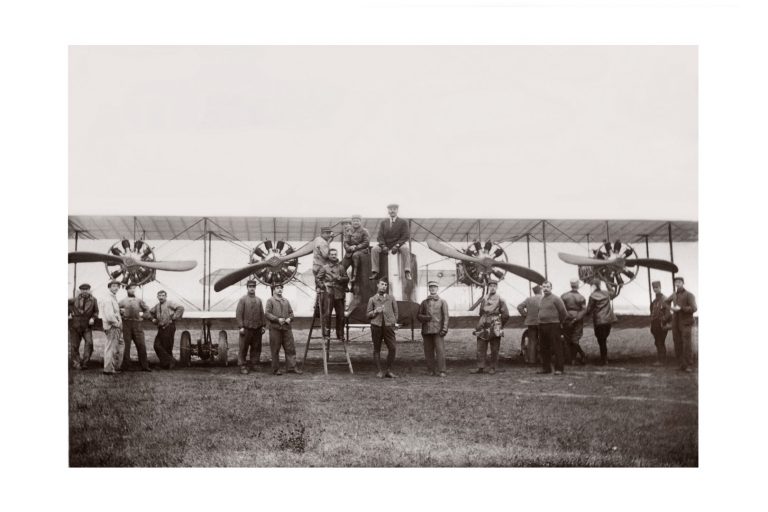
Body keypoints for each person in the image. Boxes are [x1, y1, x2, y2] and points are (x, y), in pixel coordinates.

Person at [470, 279, 510, 375]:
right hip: (483, 322)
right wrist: (482, 321)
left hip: (495, 322)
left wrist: (499, 325)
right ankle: (480, 367)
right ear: (488, 287)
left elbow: (506, 315)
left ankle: (493, 367)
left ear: (497, 287)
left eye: (494, 286)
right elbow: (481, 312)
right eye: (490, 286)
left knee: (495, 347)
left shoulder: (501, 299)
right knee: (480, 346)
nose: (492, 287)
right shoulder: (484, 299)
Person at [265, 284, 302, 375]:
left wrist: (290, 318)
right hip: (275, 329)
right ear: (273, 290)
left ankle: (292, 367)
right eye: (277, 288)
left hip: (286, 329)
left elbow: (291, 313)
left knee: (290, 348)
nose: (280, 290)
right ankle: (275, 369)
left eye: (281, 288)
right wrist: (277, 319)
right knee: (275, 349)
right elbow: (267, 313)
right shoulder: (270, 301)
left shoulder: (286, 301)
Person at [370, 203, 412, 281]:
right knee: (374, 249)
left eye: (394, 209)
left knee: (405, 248)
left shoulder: (403, 222)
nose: (392, 211)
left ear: (397, 210)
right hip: (386, 244)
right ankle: (375, 271)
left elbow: (405, 236)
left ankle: (407, 271)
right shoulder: (383, 222)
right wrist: (383, 246)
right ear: (388, 211)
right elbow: (380, 236)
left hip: (398, 243)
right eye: (390, 209)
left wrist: (397, 245)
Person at [367, 278, 399, 378]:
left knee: (392, 348)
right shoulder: (372, 299)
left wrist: (393, 322)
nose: (384, 286)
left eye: (385, 285)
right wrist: (375, 311)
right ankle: (379, 371)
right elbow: (368, 315)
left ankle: (389, 370)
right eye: (382, 284)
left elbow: (396, 312)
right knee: (377, 349)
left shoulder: (391, 298)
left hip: (389, 327)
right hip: (376, 326)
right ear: (378, 285)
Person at [417, 281, 450, 377]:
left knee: (440, 351)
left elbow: (446, 316)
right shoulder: (424, 302)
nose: (432, 289)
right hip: (426, 330)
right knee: (428, 351)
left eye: (434, 287)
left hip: (438, 330)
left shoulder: (442, 302)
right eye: (431, 287)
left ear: (437, 289)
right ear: (429, 289)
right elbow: (418, 315)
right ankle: (430, 370)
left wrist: (444, 329)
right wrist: (425, 318)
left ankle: (442, 370)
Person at [665, 277, 697, 372]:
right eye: (676, 282)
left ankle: (689, 365)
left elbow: (694, 308)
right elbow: (666, 302)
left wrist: (682, 308)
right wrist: (671, 309)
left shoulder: (689, 295)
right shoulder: (674, 295)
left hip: (686, 323)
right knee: (677, 343)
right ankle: (681, 365)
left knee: (686, 344)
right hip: (675, 323)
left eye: (679, 282)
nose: (677, 284)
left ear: (683, 283)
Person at [582, 280, 618, 365]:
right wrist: (607, 282)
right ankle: (604, 358)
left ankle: (603, 359)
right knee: (604, 339)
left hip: (599, 321)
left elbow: (589, 310)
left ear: (593, 286)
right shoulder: (606, 293)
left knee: (601, 340)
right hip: (608, 320)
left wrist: (583, 310)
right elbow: (613, 292)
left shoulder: (592, 296)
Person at [316, 248, 349, 341]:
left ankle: (340, 334)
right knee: (327, 314)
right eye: (332, 254)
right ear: (329, 256)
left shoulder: (341, 267)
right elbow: (318, 279)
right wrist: (323, 286)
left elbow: (347, 278)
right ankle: (326, 334)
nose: (334, 256)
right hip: (328, 293)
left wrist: (340, 279)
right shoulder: (324, 267)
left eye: (335, 254)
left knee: (341, 315)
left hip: (339, 293)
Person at [537, 281, 568, 375]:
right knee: (543, 348)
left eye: (548, 287)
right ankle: (546, 368)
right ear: (542, 288)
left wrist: (559, 323)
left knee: (556, 347)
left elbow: (563, 313)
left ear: (551, 288)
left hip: (554, 325)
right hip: (542, 325)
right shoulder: (541, 299)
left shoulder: (556, 299)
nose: (545, 288)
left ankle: (559, 369)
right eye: (544, 287)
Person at [119, 283, 152, 372]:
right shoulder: (122, 301)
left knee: (141, 345)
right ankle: (125, 366)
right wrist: (121, 315)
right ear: (127, 290)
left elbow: (147, 310)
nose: (133, 290)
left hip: (137, 324)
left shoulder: (139, 300)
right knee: (126, 346)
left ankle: (145, 366)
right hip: (126, 324)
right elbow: (116, 310)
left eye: (134, 289)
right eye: (131, 289)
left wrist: (143, 317)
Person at [235, 280, 266, 375]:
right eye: (250, 286)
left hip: (257, 328)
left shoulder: (259, 300)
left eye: (253, 286)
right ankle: (242, 365)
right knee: (243, 348)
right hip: (246, 329)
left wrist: (263, 325)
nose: (252, 288)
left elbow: (262, 313)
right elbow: (238, 314)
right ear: (247, 287)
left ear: (255, 288)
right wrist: (241, 326)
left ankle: (255, 363)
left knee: (256, 347)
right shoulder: (243, 299)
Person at [149, 290, 185, 369]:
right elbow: (150, 312)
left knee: (167, 346)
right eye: (159, 296)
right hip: (161, 328)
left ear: (166, 296)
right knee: (157, 345)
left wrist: (174, 317)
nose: (161, 297)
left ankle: (167, 365)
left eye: (163, 295)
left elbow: (181, 308)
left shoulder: (170, 303)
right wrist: (153, 319)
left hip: (169, 327)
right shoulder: (157, 306)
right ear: (157, 297)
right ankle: (170, 361)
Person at [68, 283, 99, 370]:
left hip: (87, 326)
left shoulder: (93, 300)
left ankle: (85, 362)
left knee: (89, 343)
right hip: (75, 325)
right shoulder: (74, 300)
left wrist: (93, 318)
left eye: (86, 289)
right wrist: (70, 312)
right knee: (74, 345)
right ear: (80, 291)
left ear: (89, 290)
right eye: (83, 290)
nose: (85, 291)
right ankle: (76, 363)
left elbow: (96, 311)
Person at [99, 280, 124, 375]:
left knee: (115, 346)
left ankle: (113, 367)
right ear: (109, 287)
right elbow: (109, 315)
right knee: (111, 347)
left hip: (112, 325)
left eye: (117, 286)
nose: (116, 288)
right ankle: (108, 369)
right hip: (112, 326)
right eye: (113, 286)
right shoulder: (108, 298)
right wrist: (116, 323)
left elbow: (112, 311)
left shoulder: (112, 297)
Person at [561, 278, 588, 365]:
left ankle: (571, 359)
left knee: (567, 339)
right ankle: (578, 357)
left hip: (566, 319)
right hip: (577, 319)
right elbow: (584, 310)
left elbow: (561, 309)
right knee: (575, 340)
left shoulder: (564, 296)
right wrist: (576, 318)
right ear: (578, 285)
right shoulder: (581, 297)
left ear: (571, 285)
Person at [342, 214, 370, 283]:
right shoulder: (349, 230)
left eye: (357, 221)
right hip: (350, 252)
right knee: (341, 267)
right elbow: (345, 242)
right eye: (354, 221)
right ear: (352, 222)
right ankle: (345, 283)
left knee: (355, 256)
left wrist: (356, 247)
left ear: (360, 222)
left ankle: (354, 277)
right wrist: (349, 248)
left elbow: (366, 243)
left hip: (361, 251)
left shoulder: (364, 231)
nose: (355, 222)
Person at [650, 280, 673, 366]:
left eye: (657, 287)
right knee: (657, 342)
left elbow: (668, 313)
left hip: (661, 324)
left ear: (660, 287)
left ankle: (662, 361)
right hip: (655, 323)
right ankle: (661, 359)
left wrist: (662, 321)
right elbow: (652, 312)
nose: (655, 289)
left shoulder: (665, 299)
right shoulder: (655, 300)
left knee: (660, 341)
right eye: (654, 288)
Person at [517, 285, 542, 364]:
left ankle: (532, 360)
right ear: (540, 290)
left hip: (531, 322)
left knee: (532, 341)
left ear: (534, 292)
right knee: (543, 340)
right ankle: (542, 360)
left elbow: (519, 307)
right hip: (542, 322)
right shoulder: (544, 299)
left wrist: (525, 315)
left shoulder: (529, 299)